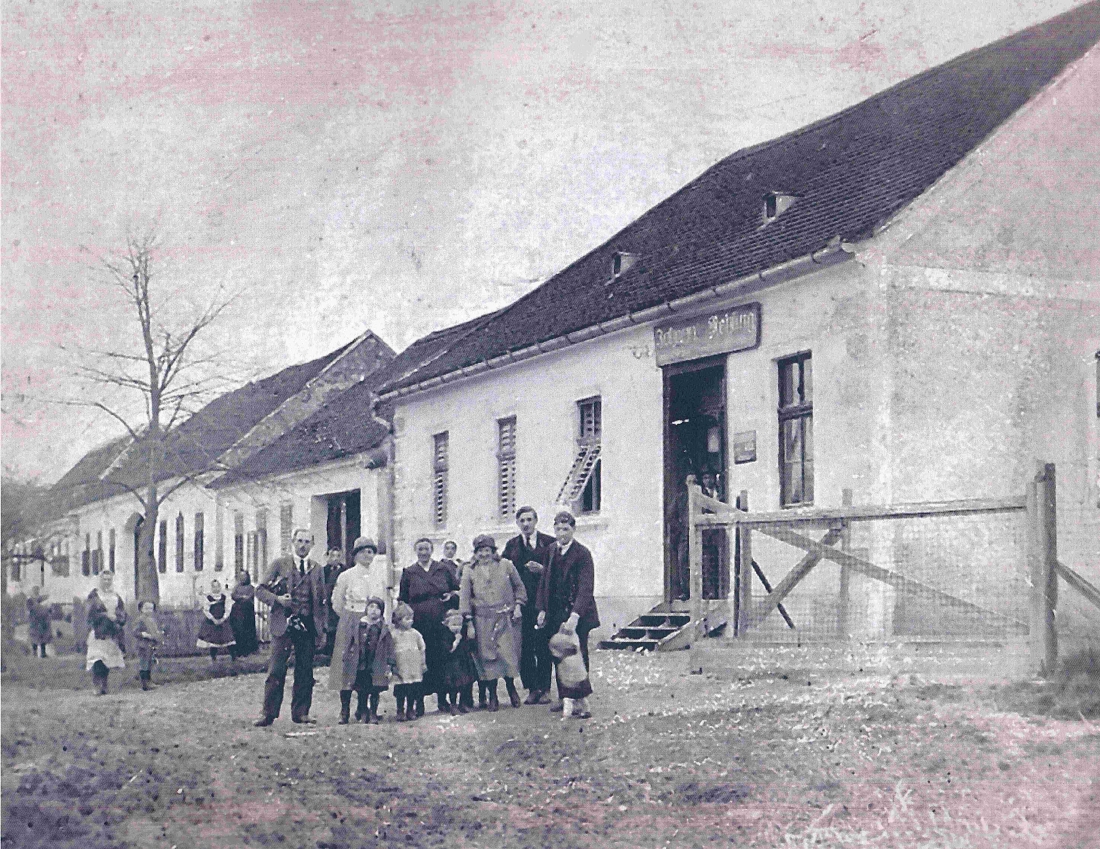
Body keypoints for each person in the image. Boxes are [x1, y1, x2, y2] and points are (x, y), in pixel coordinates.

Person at [253, 528, 327, 726]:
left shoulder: (317, 568)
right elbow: (259, 590)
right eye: (299, 541)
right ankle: (268, 713)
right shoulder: (279, 564)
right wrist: (277, 600)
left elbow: (321, 601)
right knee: (276, 668)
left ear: (312, 545)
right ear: (293, 542)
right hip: (283, 623)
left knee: (305, 670)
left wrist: (322, 628)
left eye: (307, 542)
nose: (303, 545)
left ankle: (301, 712)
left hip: (307, 624)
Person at [536, 511, 599, 718]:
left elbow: (586, 587)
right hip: (555, 612)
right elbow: (545, 581)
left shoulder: (582, 553)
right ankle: (565, 696)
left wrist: (575, 616)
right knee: (559, 654)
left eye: (566, 529)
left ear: (573, 529)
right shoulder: (551, 550)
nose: (561, 533)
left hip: (577, 613)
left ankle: (581, 699)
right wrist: (542, 609)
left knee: (577, 655)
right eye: (558, 529)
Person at [460, 534, 526, 711]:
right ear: (476, 553)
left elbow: (519, 587)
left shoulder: (506, 565)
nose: (484, 554)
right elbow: (465, 598)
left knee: (507, 655)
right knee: (488, 658)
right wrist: (469, 622)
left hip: (505, 618)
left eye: (487, 550)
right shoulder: (469, 570)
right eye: (480, 551)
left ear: (493, 551)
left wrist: (518, 606)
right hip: (482, 620)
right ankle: (493, 696)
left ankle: (512, 690)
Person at [328, 537, 390, 715]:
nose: (367, 555)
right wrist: (350, 618)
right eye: (363, 551)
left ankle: (363, 707)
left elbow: (384, 600)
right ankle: (345, 709)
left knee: (367, 663)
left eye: (370, 551)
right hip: (350, 619)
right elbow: (337, 602)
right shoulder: (346, 576)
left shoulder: (379, 576)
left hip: (372, 619)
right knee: (347, 662)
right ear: (355, 555)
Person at [398, 538, 459, 716]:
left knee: (441, 659)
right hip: (420, 623)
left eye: (426, 549)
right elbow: (403, 598)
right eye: (420, 549)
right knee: (421, 661)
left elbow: (457, 589)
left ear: (432, 550)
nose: (423, 552)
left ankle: (443, 700)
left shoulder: (443, 569)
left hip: (440, 622)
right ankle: (419, 702)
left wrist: (451, 597)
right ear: (416, 551)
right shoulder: (409, 572)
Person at [501, 506, 555, 704]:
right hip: (520, 604)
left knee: (543, 646)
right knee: (524, 648)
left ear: (536, 521)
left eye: (529, 520)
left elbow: (559, 572)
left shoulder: (549, 543)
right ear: (517, 523)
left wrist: (543, 570)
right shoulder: (512, 545)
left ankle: (545, 688)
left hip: (543, 604)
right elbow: (503, 570)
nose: (526, 524)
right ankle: (532, 688)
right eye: (522, 520)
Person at [337, 596, 395, 724]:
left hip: (374, 662)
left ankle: (371, 712)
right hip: (357, 661)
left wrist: (390, 664)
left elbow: (390, 647)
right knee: (348, 687)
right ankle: (344, 712)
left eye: (378, 608)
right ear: (366, 609)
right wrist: (346, 655)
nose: (374, 610)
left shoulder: (383, 629)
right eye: (371, 607)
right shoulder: (358, 625)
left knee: (372, 689)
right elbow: (349, 641)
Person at [85, 571, 127, 695]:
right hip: (99, 631)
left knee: (107, 659)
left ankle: (104, 684)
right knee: (97, 658)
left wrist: (117, 618)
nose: (107, 582)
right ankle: (97, 684)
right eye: (104, 579)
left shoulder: (116, 596)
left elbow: (122, 612)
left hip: (111, 631)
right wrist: (105, 615)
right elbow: (90, 614)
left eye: (109, 580)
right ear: (100, 580)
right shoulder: (94, 596)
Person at [390, 602, 426, 721]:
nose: (410, 621)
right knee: (401, 689)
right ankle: (400, 710)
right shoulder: (394, 634)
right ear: (399, 620)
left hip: (413, 667)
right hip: (401, 667)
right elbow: (390, 650)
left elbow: (422, 648)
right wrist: (392, 665)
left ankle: (410, 709)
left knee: (412, 689)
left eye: (411, 619)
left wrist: (422, 663)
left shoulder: (415, 634)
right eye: (407, 619)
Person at [438, 608, 478, 715]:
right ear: (447, 624)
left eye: (459, 625)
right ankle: (453, 705)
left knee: (465, 684)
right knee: (453, 687)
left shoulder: (462, 633)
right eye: (454, 625)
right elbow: (448, 650)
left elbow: (468, 647)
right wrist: (456, 640)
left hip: (463, 663)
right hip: (452, 664)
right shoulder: (446, 635)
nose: (457, 628)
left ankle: (462, 703)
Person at [548, 628, 591, 719]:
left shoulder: (564, 661)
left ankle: (566, 715)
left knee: (567, 700)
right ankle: (586, 710)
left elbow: (563, 673)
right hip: (581, 680)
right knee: (582, 698)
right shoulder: (577, 656)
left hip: (570, 684)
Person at [196, 579, 236, 664]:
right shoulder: (208, 598)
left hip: (223, 621)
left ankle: (233, 657)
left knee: (228, 639)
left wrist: (223, 618)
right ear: (211, 588)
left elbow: (228, 609)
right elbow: (206, 610)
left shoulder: (224, 597)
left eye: (217, 586)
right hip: (212, 622)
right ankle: (213, 658)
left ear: (220, 587)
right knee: (212, 641)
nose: (216, 588)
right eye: (214, 587)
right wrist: (213, 619)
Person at [321, 546, 348, 657]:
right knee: (329, 626)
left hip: (340, 601)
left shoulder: (345, 570)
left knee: (340, 625)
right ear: (328, 557)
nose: (335, 559)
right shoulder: (324, 571)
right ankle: (328, 650)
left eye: (338, 556)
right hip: (327, 602)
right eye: (333, 556)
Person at [133, 600, 164, 691]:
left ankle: (149, 680)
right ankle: (145, 683)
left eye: (151, 608)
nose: (149, 610)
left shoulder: (152, 620)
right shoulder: (140, 619)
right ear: (141, 609)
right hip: (143, 644)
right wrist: (144, 634)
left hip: (151, 644)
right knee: (144, 663)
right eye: (146, 608)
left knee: (150, 662)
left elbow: (154, 631)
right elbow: (135, 632)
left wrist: (158, 634)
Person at [229, 572, 259, 659]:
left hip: (247, 612)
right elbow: (233, 595)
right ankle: (239, 650)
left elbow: (249, 597)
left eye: (244, 576)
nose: (243, 578)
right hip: (237, 612)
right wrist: (241, 597)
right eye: (241, 576)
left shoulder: (251, 588)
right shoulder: (237, 587)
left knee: (247, 630)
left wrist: (242, 597)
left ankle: (247, 650)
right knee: (238, 630)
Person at [26, 585, 52, 659]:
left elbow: (46, 606)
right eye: (35, 590)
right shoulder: (30, 600)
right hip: (34, 621)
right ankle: (34, 652)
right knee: (34, 636)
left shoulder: (41, 599)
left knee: (43, 636)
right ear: (32, 590)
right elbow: (29, 609)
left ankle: (43, 653)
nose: (36, 591)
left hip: (42, 620)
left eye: (37, 590)